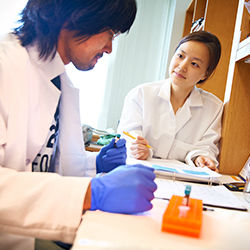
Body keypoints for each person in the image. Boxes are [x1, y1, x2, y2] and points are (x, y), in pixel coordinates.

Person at [0, 0, 157, 249]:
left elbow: (44, 166)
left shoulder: (59, 80)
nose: (109, 48)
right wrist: (92, 192)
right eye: (110, 33)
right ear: (76, 14)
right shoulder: (5, 66)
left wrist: (96, 163)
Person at [118, 31, 223, 171]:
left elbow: (207, 147)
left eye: (194, 64)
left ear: (205, 74)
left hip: (184, 180)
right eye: (180, 56)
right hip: (138, 172)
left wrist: (200, 158)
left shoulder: (214, 107)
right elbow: (128, 136)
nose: (182, 66)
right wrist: (137, 148)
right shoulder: (141, 94)